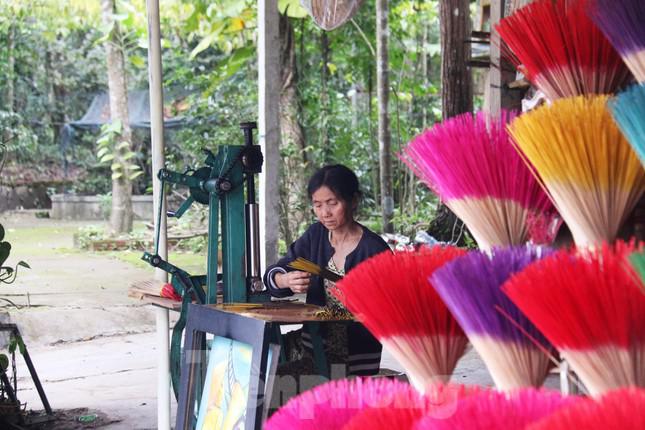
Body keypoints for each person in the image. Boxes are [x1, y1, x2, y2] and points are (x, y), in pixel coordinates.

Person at [263, 164, 391, 378]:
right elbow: (274, 274)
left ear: (353, 200)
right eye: (318, 205)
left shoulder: (373, 249)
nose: (325, 213)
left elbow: (390, 307)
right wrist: (285, 280)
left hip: (354, 358)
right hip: (313, 350)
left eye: (333, 203)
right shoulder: (316, 237)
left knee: (271, 385)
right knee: (257, 363)